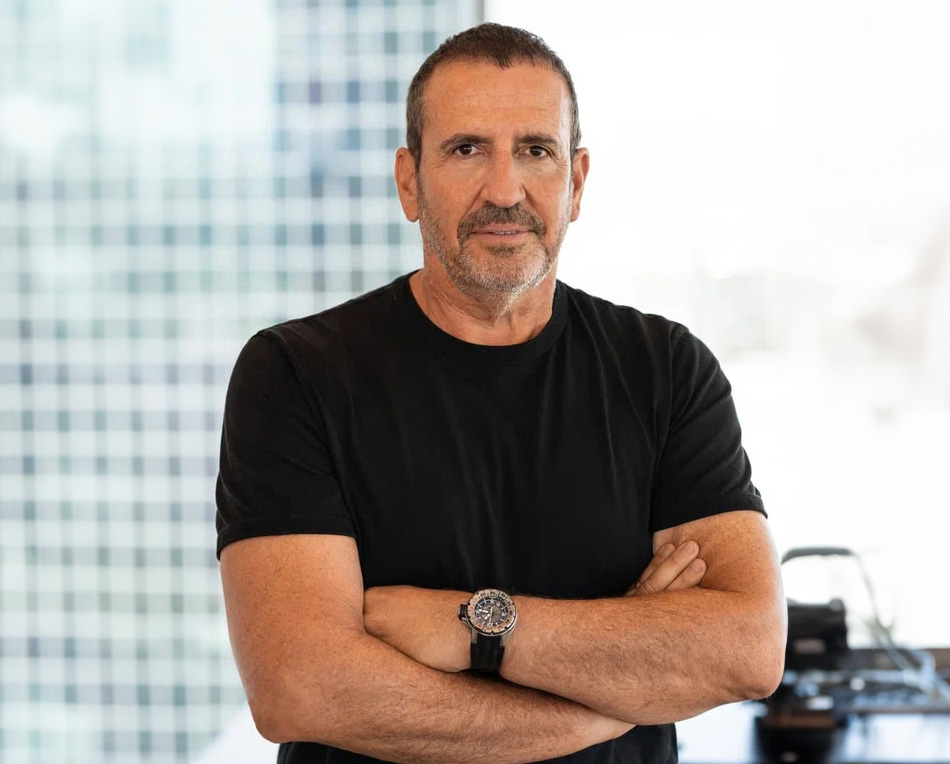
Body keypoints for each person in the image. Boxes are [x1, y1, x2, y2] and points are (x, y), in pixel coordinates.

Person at [216, 22, 786, 764]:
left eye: (536, 150)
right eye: (466, 149)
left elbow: (747, 649)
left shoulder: (667, 369)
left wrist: (476, 629)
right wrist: (607, 700)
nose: (505, 190)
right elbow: (301, 688)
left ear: (576, 182)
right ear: (409, 182)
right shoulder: (295, 375)